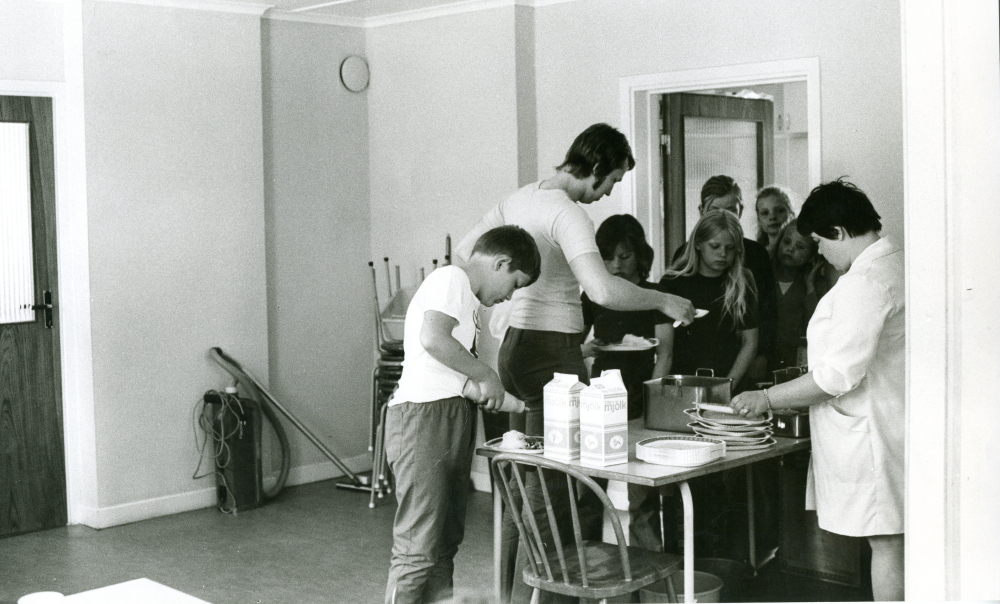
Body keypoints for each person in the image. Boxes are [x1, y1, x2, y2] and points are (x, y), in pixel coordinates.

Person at [456, 123, 693, 603]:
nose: (608, 193)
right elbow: (603, 289)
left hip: (515, 349)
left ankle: (513, 597)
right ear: (597, 166)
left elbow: (465, 255)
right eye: (611, 181)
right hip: (552, 355)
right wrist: (664, 299)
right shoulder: (567, 213)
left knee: (527, 487)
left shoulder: (520, 198)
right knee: (556, 494)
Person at [730, 179, 905, 601]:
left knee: (887, 542)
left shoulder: (866, 283)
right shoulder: (890, 264)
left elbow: (834, 377)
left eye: (820, 242)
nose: (819, 252)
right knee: (890, 540)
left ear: (840, 233)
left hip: (873, 432)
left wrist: (765, 398)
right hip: (884, 421)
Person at [383, 225, 541, 604]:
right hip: (423, 419)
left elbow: (451, 373)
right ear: (501, 263)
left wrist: (513, 402)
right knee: (417, 548)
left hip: (449, 416)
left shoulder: (466, 303)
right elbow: (432, 339)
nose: (509, 297)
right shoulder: (452, 278)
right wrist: (485, 373)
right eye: (515, 284)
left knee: (443, 543)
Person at [674, 175, 775, 387]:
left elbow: (768, 310)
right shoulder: (683, 255)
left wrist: (762, 354)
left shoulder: (756, 254)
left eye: (730, 210)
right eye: (714, 211)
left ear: (741, 211)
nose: (723, 217)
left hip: (742, 357)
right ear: (701, 211)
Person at [580, 214, 671, 420]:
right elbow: (573, 346)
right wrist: (586, 350)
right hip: (601, 388)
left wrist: (653, 399)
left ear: (639, 255)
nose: (616, 266)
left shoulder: (655, 295)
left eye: (625, 256)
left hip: (642, 388)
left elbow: (665, 355)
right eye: (608, 258)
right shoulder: (592, 295)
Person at [770, 218, 838, 371]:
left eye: (800, 247)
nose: (790, 249)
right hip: (766, 358)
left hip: (797, 360)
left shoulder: (817, 285)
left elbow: (815, 325)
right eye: (786, 242)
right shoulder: (766, 276)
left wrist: (810, 288)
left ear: (812, 256)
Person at [754, 185, 795, 257]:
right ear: (759, 219)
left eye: (780, 211)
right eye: (765, 213)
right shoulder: (757, 255)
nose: (772, 217)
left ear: (791, 214)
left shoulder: (800, 252)